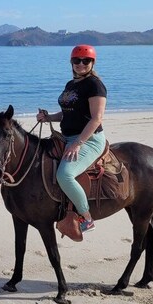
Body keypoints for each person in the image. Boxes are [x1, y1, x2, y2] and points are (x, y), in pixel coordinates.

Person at [37, 44, 107, 240]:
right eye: (77, 61)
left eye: (86, 61)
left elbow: (96, 118)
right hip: (66, 136)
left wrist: (78, 144)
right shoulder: (71, 84)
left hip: (89, 140)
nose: (81, 64)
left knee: (65, 174)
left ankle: (86, 217)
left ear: (92, 63)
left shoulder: (95, 85)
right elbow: (68, 113)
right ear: (71, 62)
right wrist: (48, 117)